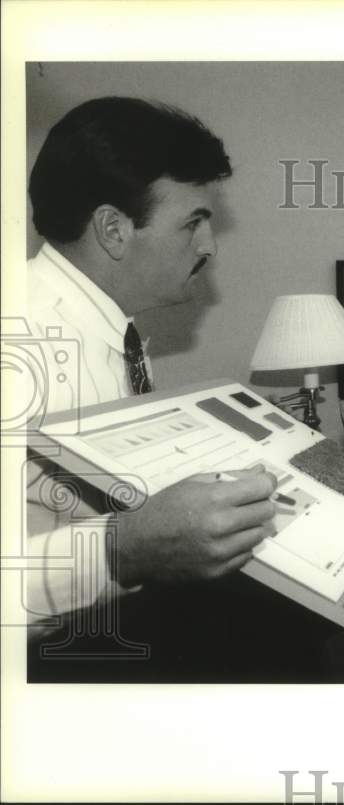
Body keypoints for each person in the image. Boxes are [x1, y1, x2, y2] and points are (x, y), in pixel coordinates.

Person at [23, 97, 278, 631]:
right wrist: (124, 550)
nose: (209, 246)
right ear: (113, 230)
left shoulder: (119, 332)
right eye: (194, 222)